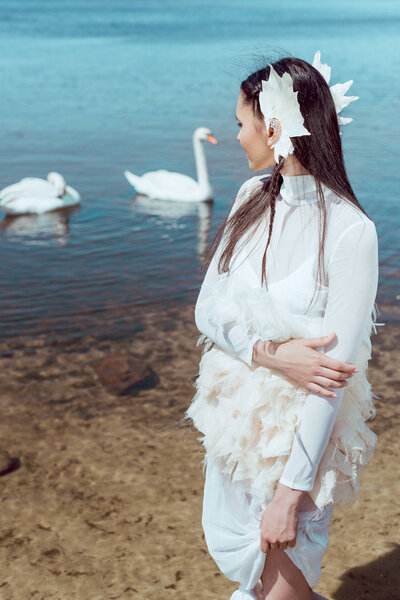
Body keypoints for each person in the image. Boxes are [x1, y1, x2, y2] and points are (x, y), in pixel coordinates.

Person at [184, 52, 381, 600]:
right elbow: (208, 311)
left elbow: (331, 377)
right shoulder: (251, 199)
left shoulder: (350, 231)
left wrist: (291, 493)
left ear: (274, 129)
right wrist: (272, 353)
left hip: (298, 447)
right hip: (237, 429)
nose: (238, 136)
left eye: (242, 124)